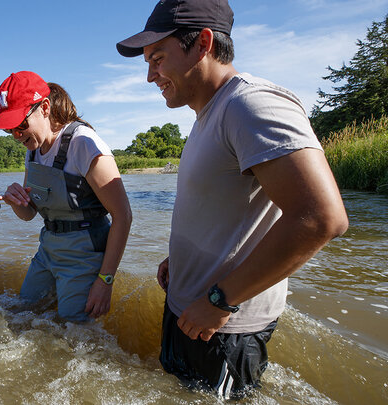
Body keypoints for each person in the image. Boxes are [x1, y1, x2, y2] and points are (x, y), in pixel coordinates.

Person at [116, 0, 349, 398]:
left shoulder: (250, 104)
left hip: (223, 328)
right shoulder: (208, 114)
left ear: (203, 43)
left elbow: (321, 218)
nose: (150, 75)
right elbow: (226, 209)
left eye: (157, 57)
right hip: (193, 312)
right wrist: (183, 258)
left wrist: (222, 301)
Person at [0, 71, 132, 323]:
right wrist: (15, 202)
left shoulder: (84, 143)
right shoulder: (32, 151)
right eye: (9, 129)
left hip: (85, 253)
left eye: (21, 124)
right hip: (48, 248)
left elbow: (123, 216)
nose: (16, 135)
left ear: (44, 107)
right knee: (21, 314)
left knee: (74, 331)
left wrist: (105, 280)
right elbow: (29, 213)